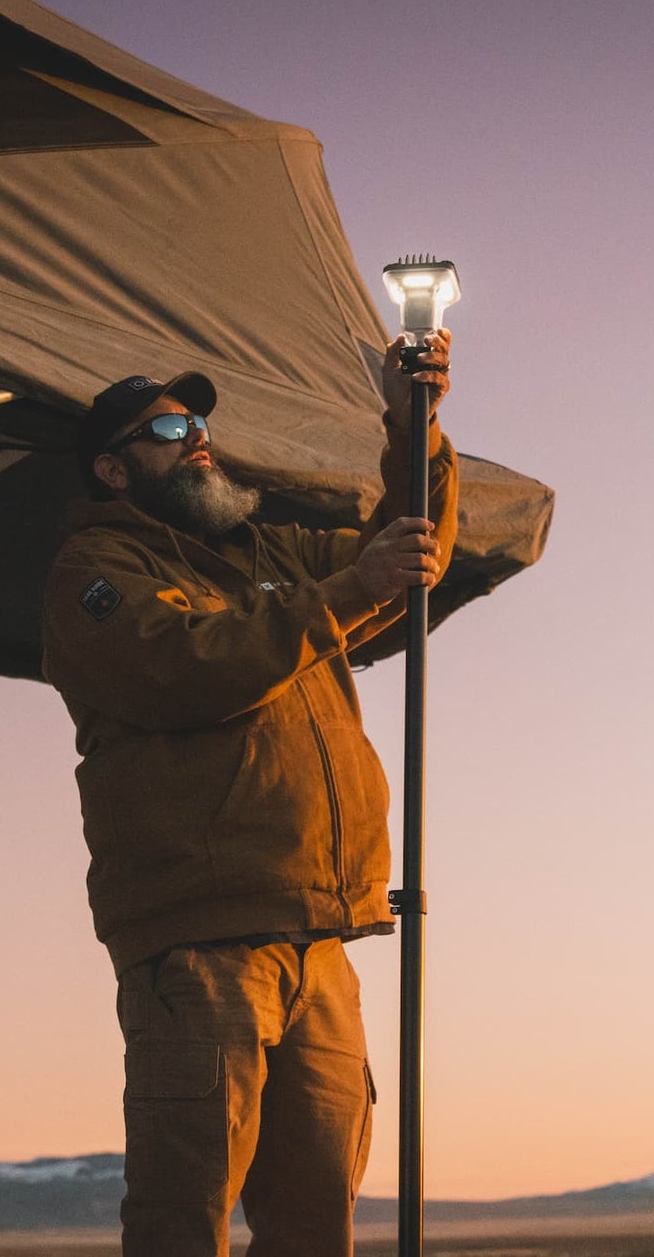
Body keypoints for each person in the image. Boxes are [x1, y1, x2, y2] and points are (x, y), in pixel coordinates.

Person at [41, 332, 458, 1256]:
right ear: (114, 469)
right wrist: (346, 593)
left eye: (198, 421)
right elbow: (187, 667)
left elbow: (409, 543)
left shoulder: (269, 553)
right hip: (200, 943)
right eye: (167, 426)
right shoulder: (96, 575)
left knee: (318, 1221)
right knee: (183, 1220)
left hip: (320, 933)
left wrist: (413, 425)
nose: (197, 437)